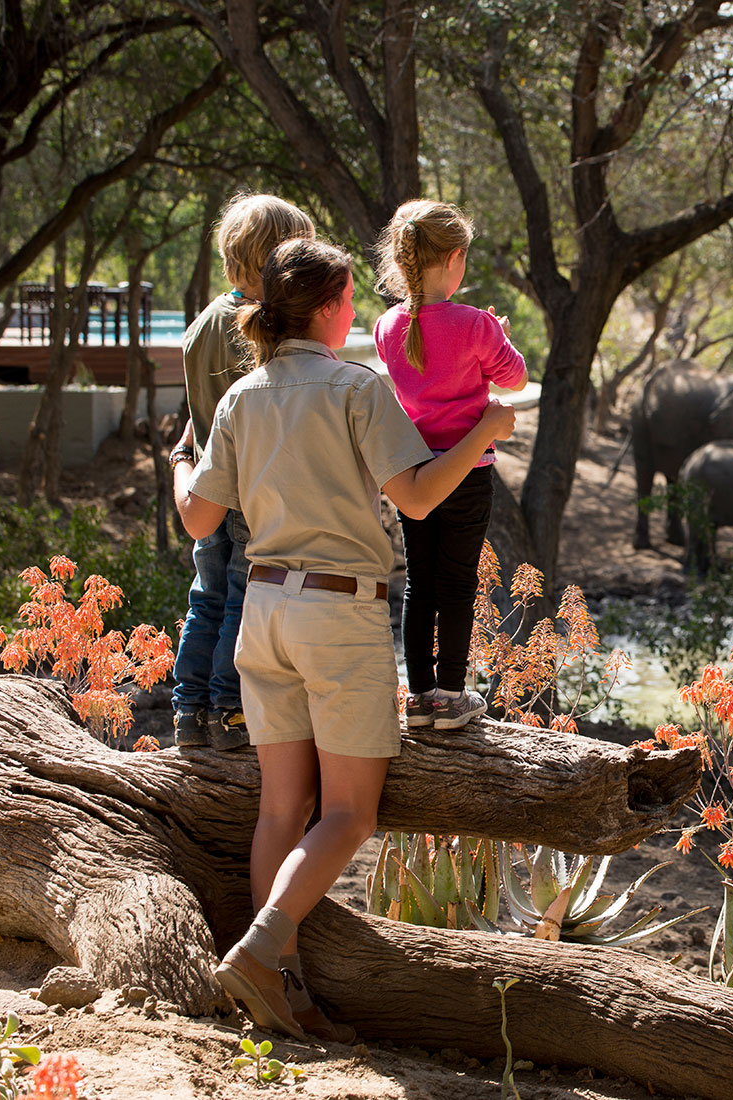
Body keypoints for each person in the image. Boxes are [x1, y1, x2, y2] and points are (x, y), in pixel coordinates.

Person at [171, 238, 516, 1041]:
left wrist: (178, 465)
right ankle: (260, 951)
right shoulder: (358, 387)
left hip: (262, 612)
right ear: (328, 308)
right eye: (352, 299)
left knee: (283, 808)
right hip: (338, 613)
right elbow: (419, 498)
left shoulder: (241, 396)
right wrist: (483, 431)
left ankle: (284, 990)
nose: (358, 312)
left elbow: (197, 520)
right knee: (351, 815)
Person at [373, 200, 527, 730]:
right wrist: (497, 335)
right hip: (467, 473)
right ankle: (452, 696)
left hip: (415, 475)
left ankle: (418, 699)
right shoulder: (476, 324)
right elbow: (515, 378)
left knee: (419, 582)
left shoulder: (387, 325)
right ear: (455, 258)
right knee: (459, 583)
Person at [171, 194, 315, 752]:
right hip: (252, 489)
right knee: (242, 597)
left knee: (206, 596)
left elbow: (198, 408)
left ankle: (189, 709)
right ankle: (231, 706)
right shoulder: (259, 328)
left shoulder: (201, 324)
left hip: (209, 485)